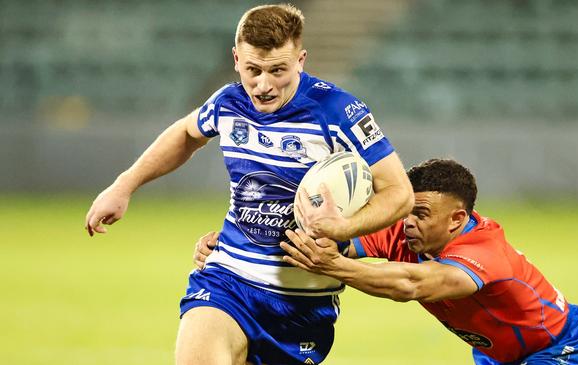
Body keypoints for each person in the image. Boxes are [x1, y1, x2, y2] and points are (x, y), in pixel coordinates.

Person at [84, 4, 413, 365]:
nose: (264, 84)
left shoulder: (338, 111)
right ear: (236, 58)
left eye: (278, 71)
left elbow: (399, 193)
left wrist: (343, 227)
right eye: (253, 70)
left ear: (301, 60)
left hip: (302, 303)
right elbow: (185, 133)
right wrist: (123, 185)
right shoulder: (228, 103)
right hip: (228, 281)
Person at [194, 158, 578, 364]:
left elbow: (411, 284)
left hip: (555, 347)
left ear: (457, 219)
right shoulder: (408, 230)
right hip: (496, 352)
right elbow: (323, 243)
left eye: (420, 212)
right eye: (405, 210)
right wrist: (230, 250)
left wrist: (333, 268)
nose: (406, 222)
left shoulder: (484, 252)